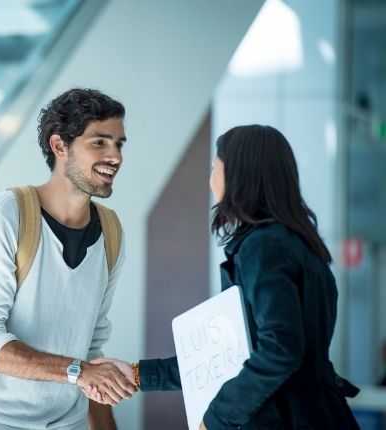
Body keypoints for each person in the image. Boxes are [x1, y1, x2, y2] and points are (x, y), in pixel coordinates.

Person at [86, 125, 360, 429]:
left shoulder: (264, 245)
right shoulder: (302, 246)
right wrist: (136, 376)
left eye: (215, 167)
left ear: (239, 173)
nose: (210, 179)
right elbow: (232, 357)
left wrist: (215, 418)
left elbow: (280, 350)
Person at [0, 88, 137, 430]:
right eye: (99, 142)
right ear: (60, 145)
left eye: (119, 144)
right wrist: (79, 372)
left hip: (64, 422)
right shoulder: (4, 214)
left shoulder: (111, 230)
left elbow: (91, 346)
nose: (115, 156)